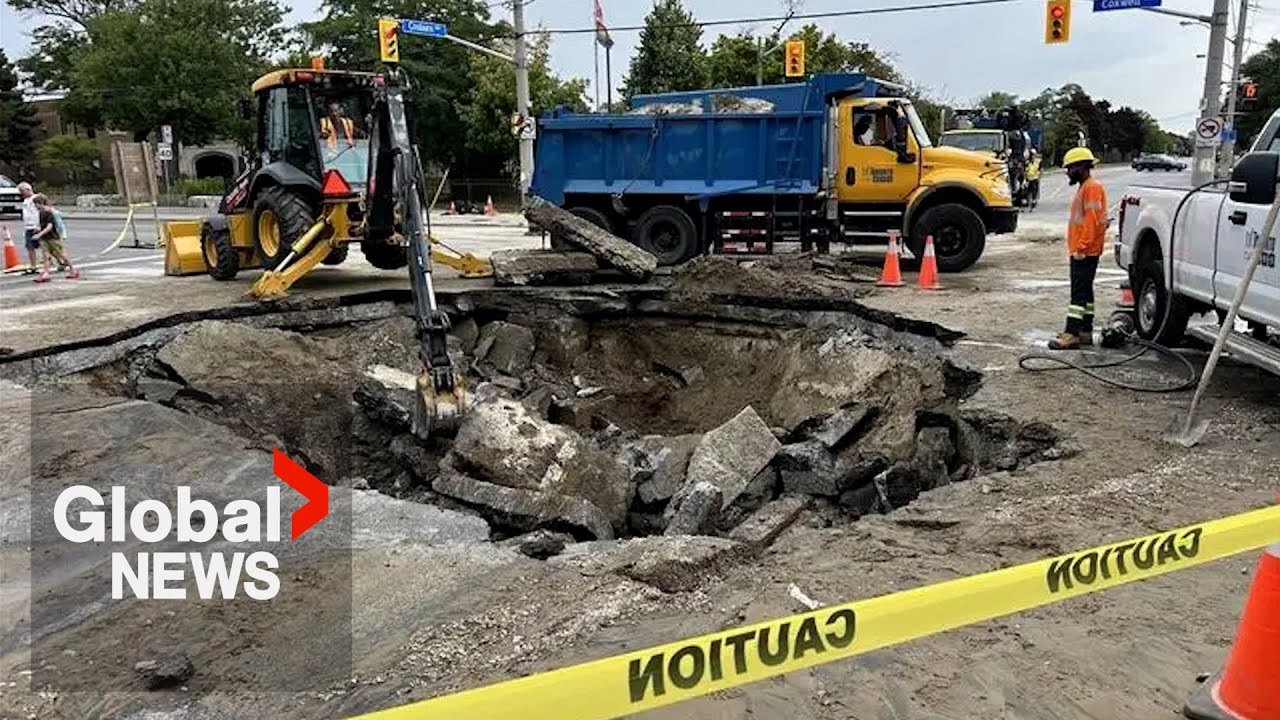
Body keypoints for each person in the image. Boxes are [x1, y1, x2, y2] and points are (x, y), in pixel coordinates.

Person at [1048, 147, 1106, 350]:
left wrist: (1082, 247)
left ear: (1081, 166)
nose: (1067, 172)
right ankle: (1085, 331)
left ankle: (1071, 333)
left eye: (1070, 167)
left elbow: (1092, 221)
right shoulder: (1087, 187)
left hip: (1084, 251)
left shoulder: (1091, 188)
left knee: (1078, 294)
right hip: (1086, 249)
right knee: (1086, 292)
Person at [31, 194, 79, 283]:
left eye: (35, 204)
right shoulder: (41, 212)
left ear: (40, 203)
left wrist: (39, 234)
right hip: (44, 238)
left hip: (53, 237)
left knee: (61, 254)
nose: (35, 207)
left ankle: (73, 269)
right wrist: (38, 229)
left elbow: (50, 226)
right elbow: (42, 224)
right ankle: (46, 273)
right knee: (45, 256)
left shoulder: (49, 212)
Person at [18, 182, 40, 274]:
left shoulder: (36, 199)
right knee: (30, 247)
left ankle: (61, 261)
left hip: (37, 227)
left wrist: (39, 225)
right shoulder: (25, 201)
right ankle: (33, 266)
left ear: (28, 190)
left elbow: (41, 212)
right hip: (29, 227)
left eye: (22, 191)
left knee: (47, 246)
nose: (21, 194)